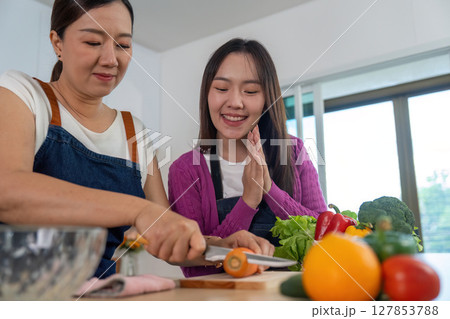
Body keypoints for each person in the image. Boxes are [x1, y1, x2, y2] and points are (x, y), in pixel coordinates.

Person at [0, 1, 272, 279]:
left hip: (101, 298)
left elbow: (163, 233)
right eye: (93, 42)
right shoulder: (22, 95)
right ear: (57, 43)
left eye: (123, 45)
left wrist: (220, 247)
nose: (110, 59)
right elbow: (7, 190)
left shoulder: (135, 133)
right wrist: (138, 210)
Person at [168, 38, 327, 277]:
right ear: (207, 95)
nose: (235, 102)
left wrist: (270, 190)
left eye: (250, 91)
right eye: (221, 89)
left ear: (266, 99)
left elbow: (324, 234)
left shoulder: (293, 151)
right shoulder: (185, 170)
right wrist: (248, 201)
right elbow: (192, 262)